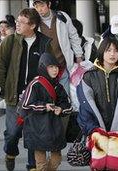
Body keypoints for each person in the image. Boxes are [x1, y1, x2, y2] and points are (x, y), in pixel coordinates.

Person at [0, 8, 54, 171]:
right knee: (13, 133)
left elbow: (50, 68)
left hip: (35, 98)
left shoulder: (45, 43)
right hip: (15, 96)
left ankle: (32, 166)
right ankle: (10, 152)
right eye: (17, 21)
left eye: (22, 22)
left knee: (32, 134)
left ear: (33, 25)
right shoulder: (10, 41)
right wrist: (2, 90)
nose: (17, 25)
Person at [33, 0, 83, 139]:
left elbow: (73, 36)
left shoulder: (62, 17)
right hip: (44, 70)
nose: (39, 9)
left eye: (42, 5)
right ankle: (47, 133)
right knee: (46, 101)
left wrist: (78, 55)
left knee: (64, 101)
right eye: (36, 6)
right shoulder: (34, 21)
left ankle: (60, 133)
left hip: (62, 66)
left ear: (48, 4)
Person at [77, 37, 118, 138]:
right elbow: (85, 107)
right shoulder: (89, 76)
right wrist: (92, 129)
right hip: (96, 133)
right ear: (102, 52)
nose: (112, 54)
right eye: (108, 50)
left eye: (116, 51)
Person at [19, 53, 72, 171]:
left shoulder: (58, 86)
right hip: (37, 129)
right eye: (51, 67)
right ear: (43, 67)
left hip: (54, 129)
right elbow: (26, 104)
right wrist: (44, 106)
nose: (55, 70)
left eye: (56, 67)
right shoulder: (35, 84)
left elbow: (68, 105)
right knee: (41, 164)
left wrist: (61, 109)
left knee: (56, 160)